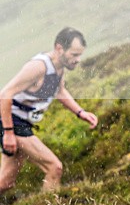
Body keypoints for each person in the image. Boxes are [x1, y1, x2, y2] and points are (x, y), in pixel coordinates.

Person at [0, 27, 98, 194]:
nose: (78, 60)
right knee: (54, 167)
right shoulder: (38, 67)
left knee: (6, 182)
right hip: (13, 122)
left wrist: (80, 113)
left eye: (80, 55)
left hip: (22, 124)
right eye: (74, 55)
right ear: (59, 48)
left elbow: (59, 91)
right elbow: (5, 94)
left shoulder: (59, 68)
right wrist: (8, 132)